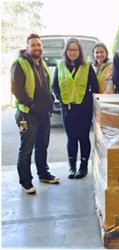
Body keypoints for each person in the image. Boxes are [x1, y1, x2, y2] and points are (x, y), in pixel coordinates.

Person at [11, 33, 60, 194]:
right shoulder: (20, 64)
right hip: (28, 114)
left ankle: (43, 174)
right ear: (28, 47)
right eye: (33, 45)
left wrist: (50, 100)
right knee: (26, 149)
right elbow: (17, 90)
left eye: (39, 45)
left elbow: (46, 86)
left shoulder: (41, 64)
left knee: (42, 146)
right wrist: (32, 105)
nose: (37, 47)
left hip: (43, 113)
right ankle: (26, 181)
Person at [52, 38, 99, 179]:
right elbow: (55, 86)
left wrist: (87, 102)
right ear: (66, 51)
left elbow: (94, 87)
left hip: (83, 110)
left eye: (75, 49)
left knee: (83, 138)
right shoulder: (60, 66)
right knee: (71, 138)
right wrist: (61, 99)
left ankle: (83, 166)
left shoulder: (87, 66)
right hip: (67, 109)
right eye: (70, 49)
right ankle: (72, 166)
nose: (73, 52)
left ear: (80, 51)